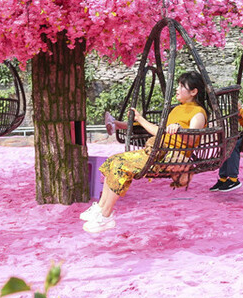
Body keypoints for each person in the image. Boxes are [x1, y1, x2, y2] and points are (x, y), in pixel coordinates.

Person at [82, 71, 208, 233]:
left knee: (121, 166)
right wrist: (142, 120)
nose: (177, 89)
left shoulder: (198, 113)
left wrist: (179, 130)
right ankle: (100, 209)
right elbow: (161, 132)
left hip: (170, 158)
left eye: (181, 86)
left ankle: (106, 216)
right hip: (157, 150)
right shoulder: (177, 109)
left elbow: (192, 140)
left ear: (193, 92)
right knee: (114, 160)